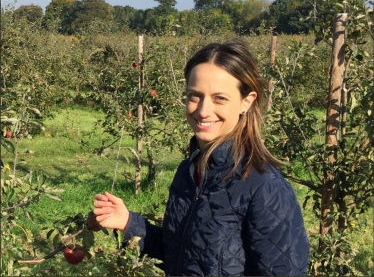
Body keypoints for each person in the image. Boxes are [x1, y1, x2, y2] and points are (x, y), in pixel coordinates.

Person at [93, 38, 310, 276]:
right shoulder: (189, 171)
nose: (203, 110)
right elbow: (177, 254)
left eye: (220, 98)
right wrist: (128, 223)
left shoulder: (265, 188)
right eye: (194, 96)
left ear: (246, 102)